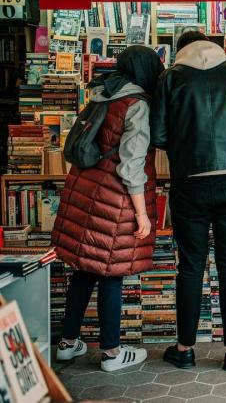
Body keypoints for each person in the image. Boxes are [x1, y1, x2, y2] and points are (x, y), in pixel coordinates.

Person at [151, 31, 226, 371]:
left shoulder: (169, 78)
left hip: (189, 182)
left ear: (180, 51)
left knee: (190, 265)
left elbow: (158, 135)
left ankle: (184, 349)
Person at [51, 46, 163, 372]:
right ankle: (112, 353)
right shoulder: (138, 105)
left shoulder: (103, 94)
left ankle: (67, 343)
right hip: (113, 201)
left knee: (85, 269)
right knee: (111, 272)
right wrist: (142, 213)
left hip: (84, 193)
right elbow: (131, 166)